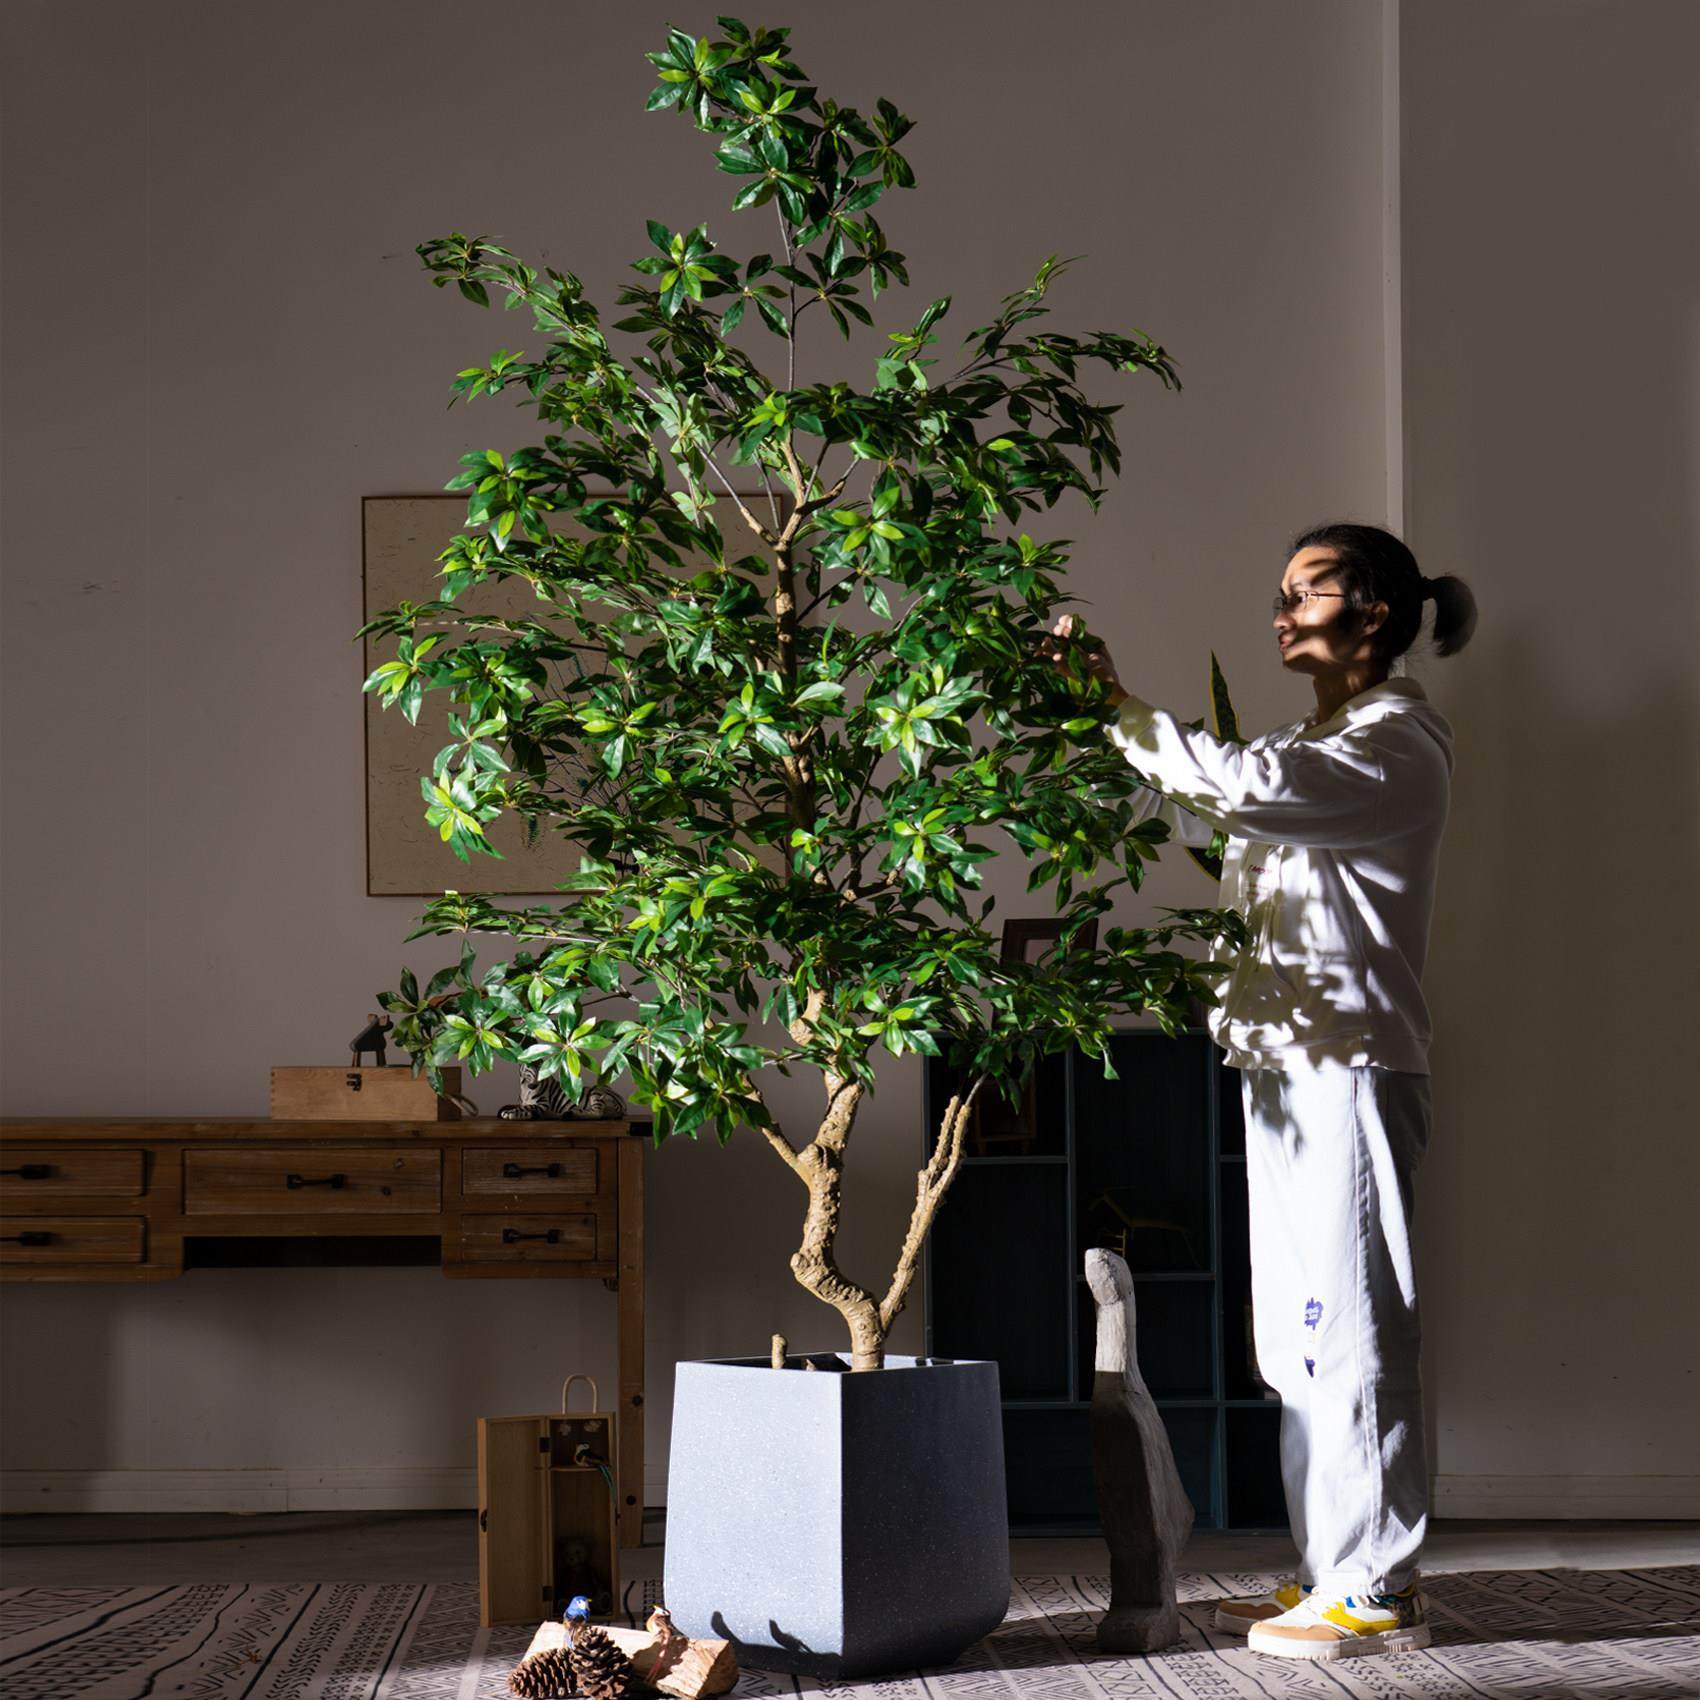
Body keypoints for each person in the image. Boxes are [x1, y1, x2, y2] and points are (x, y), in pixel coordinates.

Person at [1041, 522, 1478, 1665]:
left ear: (1373, 611)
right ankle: (1333, 1568)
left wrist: (1123, 706)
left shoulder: (1395, 742)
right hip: (1282, 1068)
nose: (1279, 611)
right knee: (1295, 1338)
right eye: (1277, 593)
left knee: (1357, 1327)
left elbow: (1247, 785)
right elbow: (1225, 806)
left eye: (1306, 591)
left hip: (1347, 1067)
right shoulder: (1316, 741)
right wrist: (1105, 730)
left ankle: (1375, 1582)